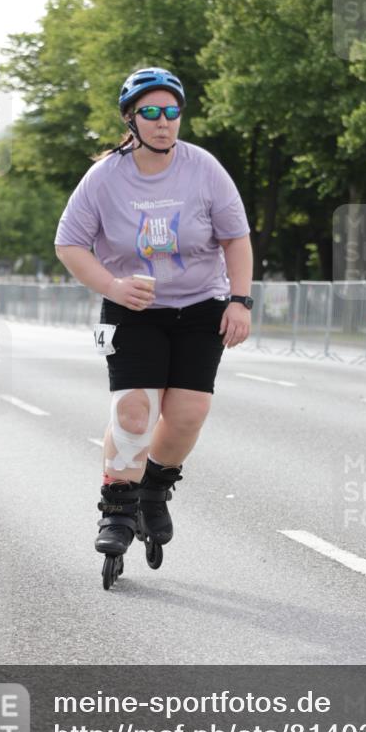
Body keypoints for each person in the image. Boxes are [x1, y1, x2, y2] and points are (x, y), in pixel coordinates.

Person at [54, 66, 254, 588]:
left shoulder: (204, 168)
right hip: (133, 311)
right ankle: (117, 508)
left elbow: (236, 237)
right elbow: (69, 243)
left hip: (200, 308)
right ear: (131, 118)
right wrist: (112, 287)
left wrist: (240, 300)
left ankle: (154, 488)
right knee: (135, 409)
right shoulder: (104, 177)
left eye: (172, 112)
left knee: (188, 413)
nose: (164, 123)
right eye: (152, 113)